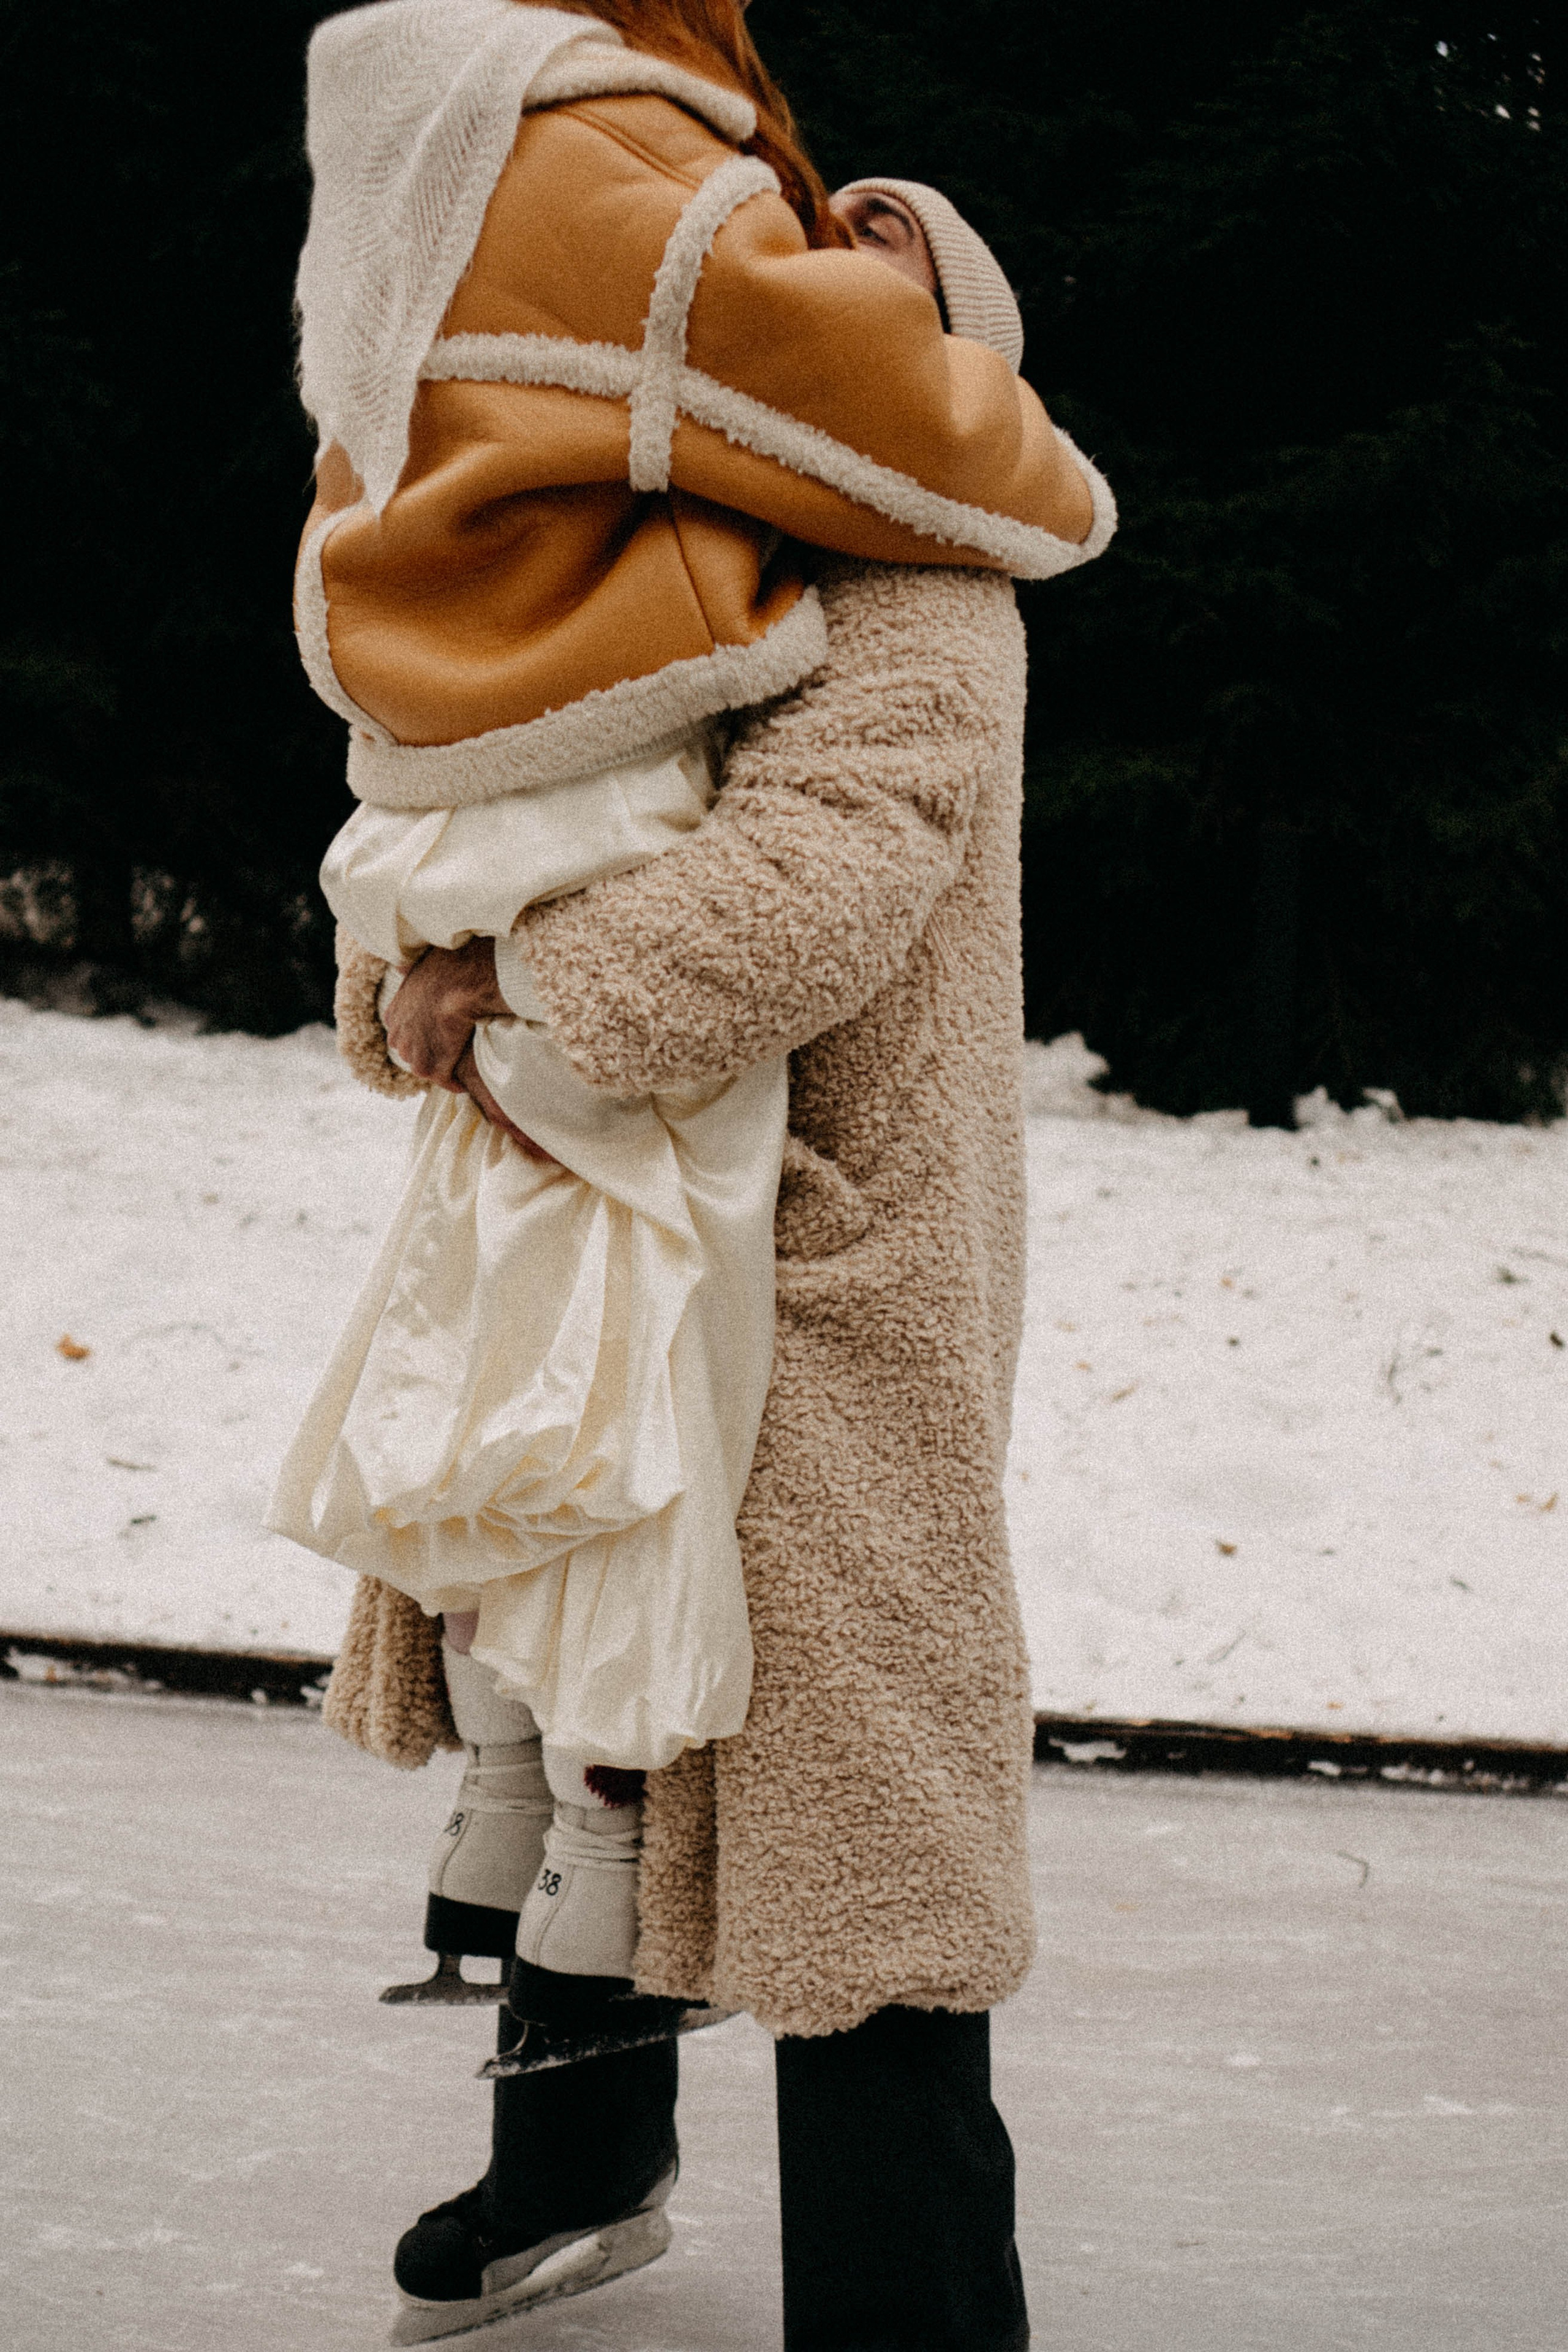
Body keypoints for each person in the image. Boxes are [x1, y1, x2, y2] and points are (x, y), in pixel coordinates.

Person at [290, 4, 1115, 2345]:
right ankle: (577, 2167)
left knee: (860, 1804)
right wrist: (410, 986)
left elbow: (832, 869)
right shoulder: (638, 557)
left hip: (831, 1265)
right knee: (572, 1716)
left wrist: (508, 999)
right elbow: (427, 848)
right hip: (586, 1243)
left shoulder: (924, 584)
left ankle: (916, 2301)